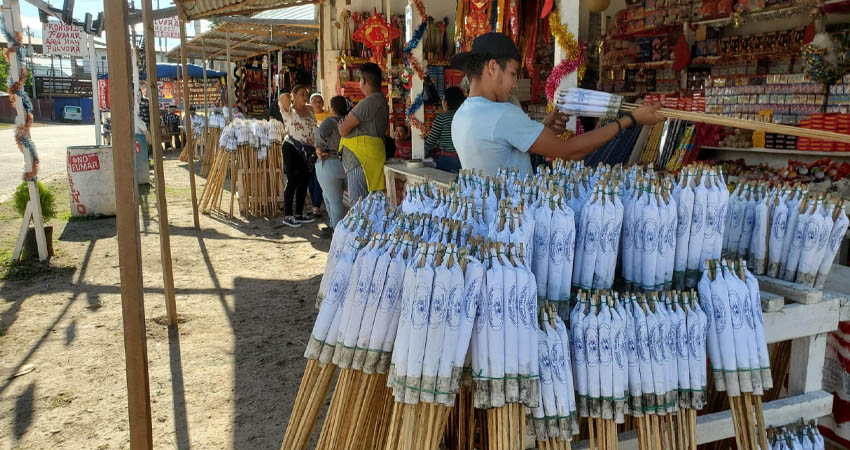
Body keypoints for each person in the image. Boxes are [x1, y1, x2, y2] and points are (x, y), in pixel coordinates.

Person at [450, 32, 664, 177]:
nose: (515, 85)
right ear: (493, 68)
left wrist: (543, 128)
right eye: (513, 74)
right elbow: (569, 151)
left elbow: (500, 146)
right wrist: (630, 120)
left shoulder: (461, 114)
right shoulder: (502, 113)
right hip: (513, 223)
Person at [338, 62, 389, 206]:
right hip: (369, 158)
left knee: (359, 207)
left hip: (360, 161)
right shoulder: (380, 100)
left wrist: (343, 124)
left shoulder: (368, 102)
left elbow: (343, 129)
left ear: (364, 81)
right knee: (369, 206)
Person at [277, 83, 318, 227]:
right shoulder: (289, 110)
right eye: (302, 94)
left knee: (303, 181)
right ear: (294, 96)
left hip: (307, 149)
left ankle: (299, 214)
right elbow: (283, 97)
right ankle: (288, 215)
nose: (305, 97)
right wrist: (290, 91)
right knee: (293, 180)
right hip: (292, 147)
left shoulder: (310, 109)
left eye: (306, 94)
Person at [314, 96, 349, 234]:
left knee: (333, 200)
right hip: (346, 163)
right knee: (332, 198)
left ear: (332, 108)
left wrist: (319, 149)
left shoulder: (329, 121)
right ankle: (333, 225)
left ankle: (337, 230)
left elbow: (320, 135)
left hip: (329, 161)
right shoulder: (348, 121)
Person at [425, 86, 465, 172]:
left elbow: (430, 143)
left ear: (446, 102)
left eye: (443, 99)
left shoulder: (442, 118)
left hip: (447, 161)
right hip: (465, 160)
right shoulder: (466, 117)